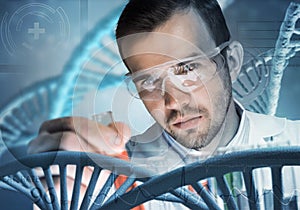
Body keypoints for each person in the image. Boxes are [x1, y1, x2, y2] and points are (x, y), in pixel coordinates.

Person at [28, 0, 300, 209]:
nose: (173, 101)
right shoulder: (115, 175)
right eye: (147, 81)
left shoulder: (294, 144)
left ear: (231, 63)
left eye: (186, 69)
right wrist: (61, 190)